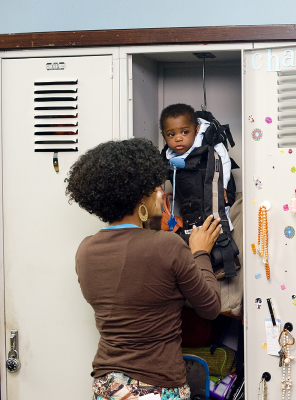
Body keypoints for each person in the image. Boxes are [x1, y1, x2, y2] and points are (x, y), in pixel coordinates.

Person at [65, 138, 222, 400]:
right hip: (155, 386)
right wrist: (201, 252)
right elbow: (211, 307)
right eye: (156, 187)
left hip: (108, 386)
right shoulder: (167, 246)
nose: (161, 193)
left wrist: (151, 222)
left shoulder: (85, 251)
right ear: (140, 196)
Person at [159, 103, 239, 278]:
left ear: (196, 130)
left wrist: (223, 185)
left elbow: (224, 162)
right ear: (163, 135)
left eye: (184, 132)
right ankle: (204, 267)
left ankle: (227, 261)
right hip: (189, 200)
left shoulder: (208, 140)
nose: (178, 138)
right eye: (171, 135)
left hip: (214, 191)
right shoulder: (168, 154)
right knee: (194, 231)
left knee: (216, 223)